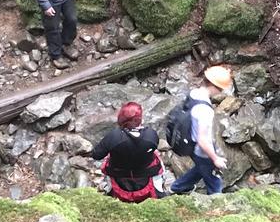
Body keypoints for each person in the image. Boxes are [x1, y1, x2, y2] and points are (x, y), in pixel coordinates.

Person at [170, 66, 233, 196]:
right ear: (214, 86)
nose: (220, 92)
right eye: (221, 89)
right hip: (201, 150)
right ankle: (216, 205)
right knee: (214, 181)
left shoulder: (194, 93)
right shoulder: (205, 110)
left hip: (190, 144)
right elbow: (203, 140)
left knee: (200, 169)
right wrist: (215, 159)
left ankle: (177, 187)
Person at [89, 102, 164, 203]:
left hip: (119, 174)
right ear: (139, 119)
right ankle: (159, 191)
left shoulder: (114, 137)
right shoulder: (151, 135)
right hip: (146, 173)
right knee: (157, 157)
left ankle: (109, 190)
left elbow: (96, 155)